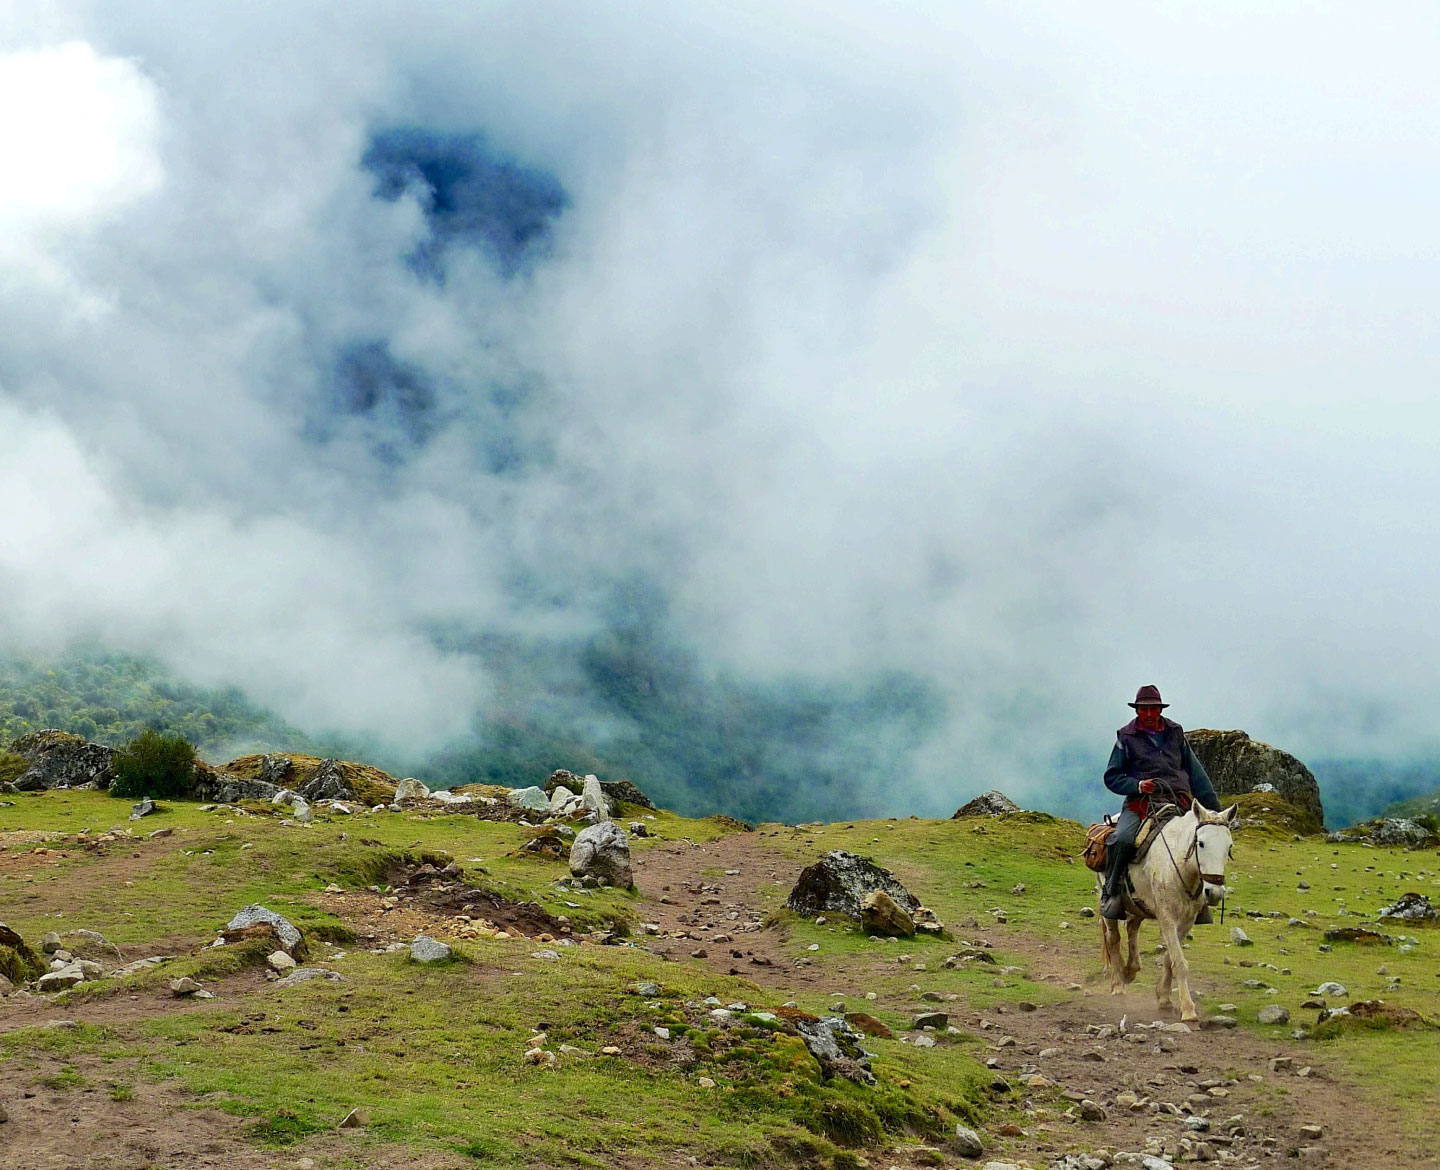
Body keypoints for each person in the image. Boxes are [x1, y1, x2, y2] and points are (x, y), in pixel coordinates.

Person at [1099, 684, 1222, 920]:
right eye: (1143, 709)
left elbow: (1196, 774)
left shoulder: (1175, 732)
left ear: (1160, 709)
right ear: (1136, 710)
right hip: (1141, 804)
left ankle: (1200, 902)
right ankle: (1111, 893)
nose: (1148, 714)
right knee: (1122, 839)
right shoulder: (1126, 736)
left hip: (1178, 801)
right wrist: (1137, 785)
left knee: (1202, 841)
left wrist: (1215, 813)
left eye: (1153, 709)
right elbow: (1112, 776)